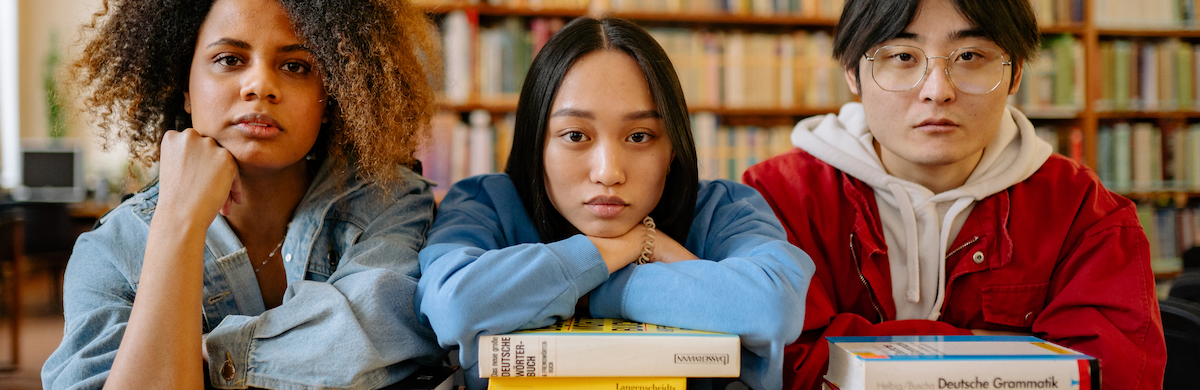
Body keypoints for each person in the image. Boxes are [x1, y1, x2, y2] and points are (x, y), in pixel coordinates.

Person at [742, 0, 1167, 389]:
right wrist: (1002, 355)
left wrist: (860, 350)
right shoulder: (775, 198)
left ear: (1015, 72)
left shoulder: (1084, 212)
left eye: (969, 56)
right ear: (853, 72)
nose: (937, 90)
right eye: (903, 57)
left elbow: (1112, 376)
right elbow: (781, 363)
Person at [41, 0, 444, 388]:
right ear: (185, 85)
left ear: (331, 96)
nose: (260, 86)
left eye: (295, 66)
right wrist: (178, 220)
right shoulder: (112, 251)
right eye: (230, 59)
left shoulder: (392, 203)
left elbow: (376, 330)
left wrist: (200, 357)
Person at [416, 16, 814, 390]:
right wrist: (629, 246)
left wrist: (594, 291)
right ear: (536, 141)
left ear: (673, 146)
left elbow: (773, 306)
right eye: (575, 135)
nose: (609, 173)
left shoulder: (722, 209)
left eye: (639, 136)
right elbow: (454, 306)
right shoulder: (484, 203)